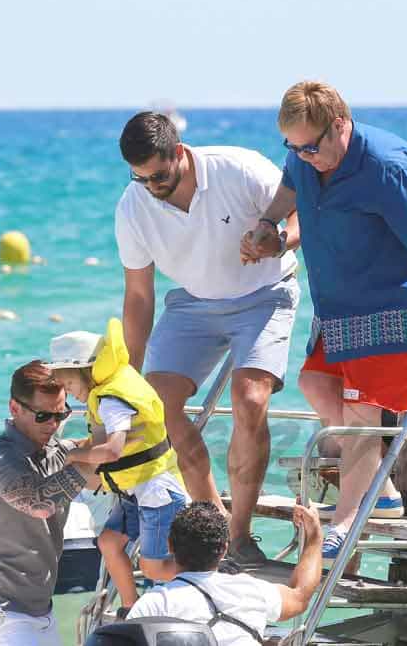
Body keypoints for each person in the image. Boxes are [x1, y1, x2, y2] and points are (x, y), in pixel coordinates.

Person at [245, 80, 407, 562]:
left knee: (362, 415)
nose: (304, 155)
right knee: (314, 386)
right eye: (294, 146)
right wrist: (268, 223)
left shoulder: (388, 166)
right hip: (338, 308)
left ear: (340, 126)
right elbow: (289, 184)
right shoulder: (303, 157)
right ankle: (382, 490)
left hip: (392, 309)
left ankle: (348, 520)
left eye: (311, 146)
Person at [116, 112, 301, 568]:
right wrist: (126, 380)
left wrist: (279, 242)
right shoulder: (133, 206)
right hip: (193, 304)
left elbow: (303, 212)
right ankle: (213, 525)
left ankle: (240, 536)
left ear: (179, 152)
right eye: (140, 179)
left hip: (264, 294)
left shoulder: (237, 167)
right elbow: (139, 297)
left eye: (158, 175)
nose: (152, 186)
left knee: (250, 399)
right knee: (155, 405)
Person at [46, 318, 189, 616]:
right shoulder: (108, 392)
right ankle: (130, 606)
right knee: (109, 543)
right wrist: (78, 446)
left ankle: (206, 577)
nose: (69, 392)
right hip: (135, 492)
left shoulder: (112, 400)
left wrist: (71, 456)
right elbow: (110, 443)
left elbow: (112, 451)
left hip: (157, 492)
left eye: (70, 383)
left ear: (88, 372)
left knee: (154, 566)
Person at [0, 361, 96, 646]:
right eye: (43, 415)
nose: (53, 425)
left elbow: (104, 451)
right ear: (14, 408)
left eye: (61, 414)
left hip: (37, 613)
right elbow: (39, 502)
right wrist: (92, 461)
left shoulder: (57, 451)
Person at [126, 501, 324, 646]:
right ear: (223, 550)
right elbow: (300, 595)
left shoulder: (155, 603)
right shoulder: (250, 590)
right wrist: (314, 537)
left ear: (170, 545)